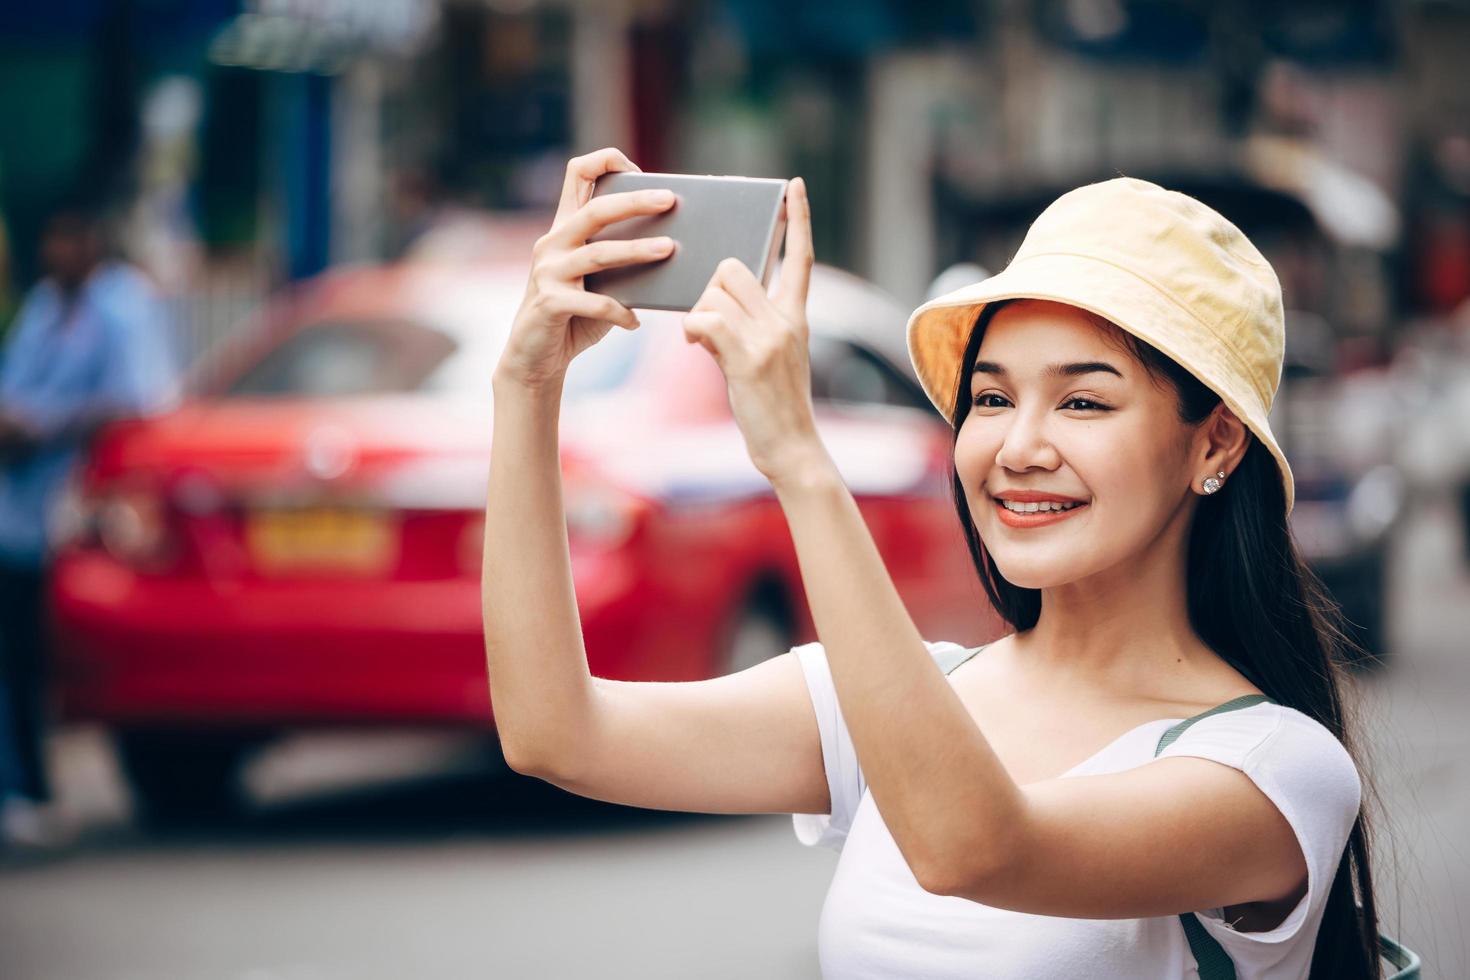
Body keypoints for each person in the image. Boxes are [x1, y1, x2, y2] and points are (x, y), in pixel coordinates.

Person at [481, 148, 1378, 979]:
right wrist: (527, 388)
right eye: (991, 397)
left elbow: (973, 846)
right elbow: (556, 733)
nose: (1019, 446)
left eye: (1083, 401)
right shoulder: (897, 700)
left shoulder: (1274, 766)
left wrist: (799, 455)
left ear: (1214, 443)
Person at [0, 198, 180, 848]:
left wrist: (42, 425)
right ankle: (20, 787)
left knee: (36, 656)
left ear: (92, 241)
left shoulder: (122, 306)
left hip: (79, 512)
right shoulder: (48, 306)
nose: (57, 253)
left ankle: (35, 791)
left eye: (67, 239)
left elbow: (139, 401)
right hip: (18, 512)